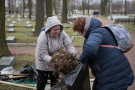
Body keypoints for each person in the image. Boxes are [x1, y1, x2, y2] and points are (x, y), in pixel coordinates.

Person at [73, 17, 134, 90]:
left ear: (82, 29)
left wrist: (80, 60)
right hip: (117, 68)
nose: (80, 34)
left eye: (79, 31)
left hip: (112, 73)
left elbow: (90, 49)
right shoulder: (100, 29)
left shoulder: (95, 32)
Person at [35, 16, 76, 90]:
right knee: (41, 82)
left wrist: (73, 53)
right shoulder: (43, 37)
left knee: (55, 84)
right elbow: (43, 54)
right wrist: (54, 61)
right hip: (43, 63)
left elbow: (69, 45)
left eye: (58, 29)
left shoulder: (62, 33)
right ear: (49, 29)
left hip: (56, 63)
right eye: (55, 29)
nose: (57, 31)